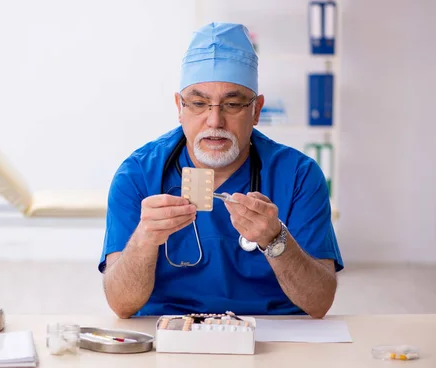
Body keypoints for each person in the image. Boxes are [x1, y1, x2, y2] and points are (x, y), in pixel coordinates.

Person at [98, 22, 343, 319]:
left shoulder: (298, 176)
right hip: (171, 334)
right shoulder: (137, 174)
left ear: (256, 110)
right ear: (179, 107)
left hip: (273, 334)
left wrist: (276, 239)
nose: (215, 121)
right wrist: (144, 239)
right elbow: (121, 305)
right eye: (199, 103)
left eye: (233, 104)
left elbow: (319, 303)